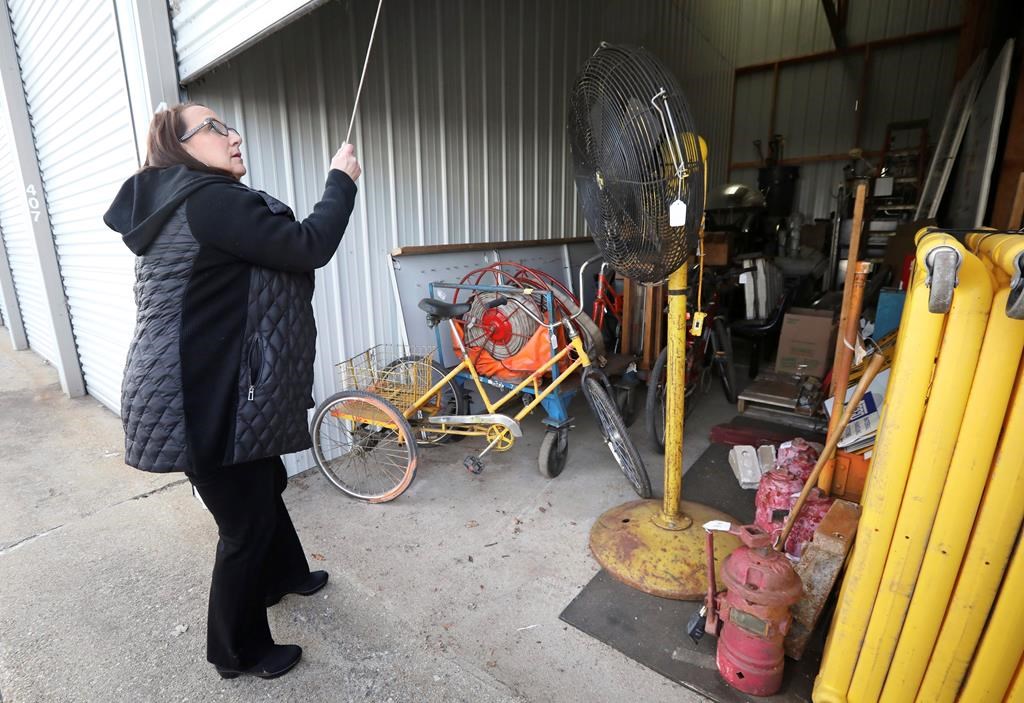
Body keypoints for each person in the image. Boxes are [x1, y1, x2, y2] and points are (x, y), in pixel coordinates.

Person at [103, 102, 361, 679]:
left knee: (264, 480)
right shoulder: (208, 202)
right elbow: (305, 246)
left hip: (205, 383)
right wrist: (340, 182)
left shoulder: (184, 202)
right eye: (215, 128)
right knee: (243, 526)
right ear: (182, 146)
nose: (234, 135)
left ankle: (284, 576)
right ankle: (236, 651)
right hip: (200, 398)